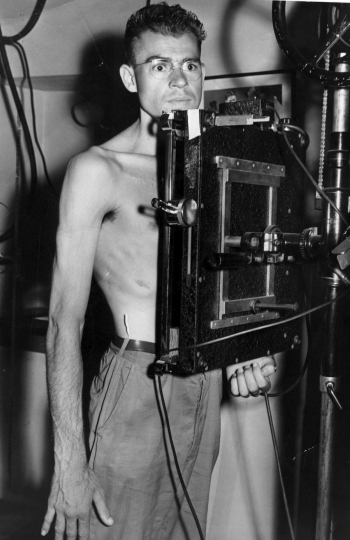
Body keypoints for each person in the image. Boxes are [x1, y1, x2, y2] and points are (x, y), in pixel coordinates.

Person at [41, 3, 276, 540]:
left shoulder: (218, 168)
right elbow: (62, 322)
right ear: (130, 76)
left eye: (190, 65)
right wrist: (70, 462)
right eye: (159, 65)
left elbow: (232, 292)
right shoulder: (98, 172)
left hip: (204, 381)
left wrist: (249, 356)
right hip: (134, 385)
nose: (178, 80)